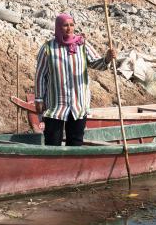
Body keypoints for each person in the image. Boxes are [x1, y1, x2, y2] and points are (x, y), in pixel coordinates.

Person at [34, 13, 114, 146]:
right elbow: (40, 75)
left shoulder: (82, 45)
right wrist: (39, 98)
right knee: (52, 142)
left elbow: (97, 63)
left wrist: (107, 59)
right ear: (58, 27)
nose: (69, 28)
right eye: (65, 25)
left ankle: (72, 166)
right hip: (55, 106)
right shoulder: (48, 48)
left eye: (71, 25)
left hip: (78, 105)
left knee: (76, 142)